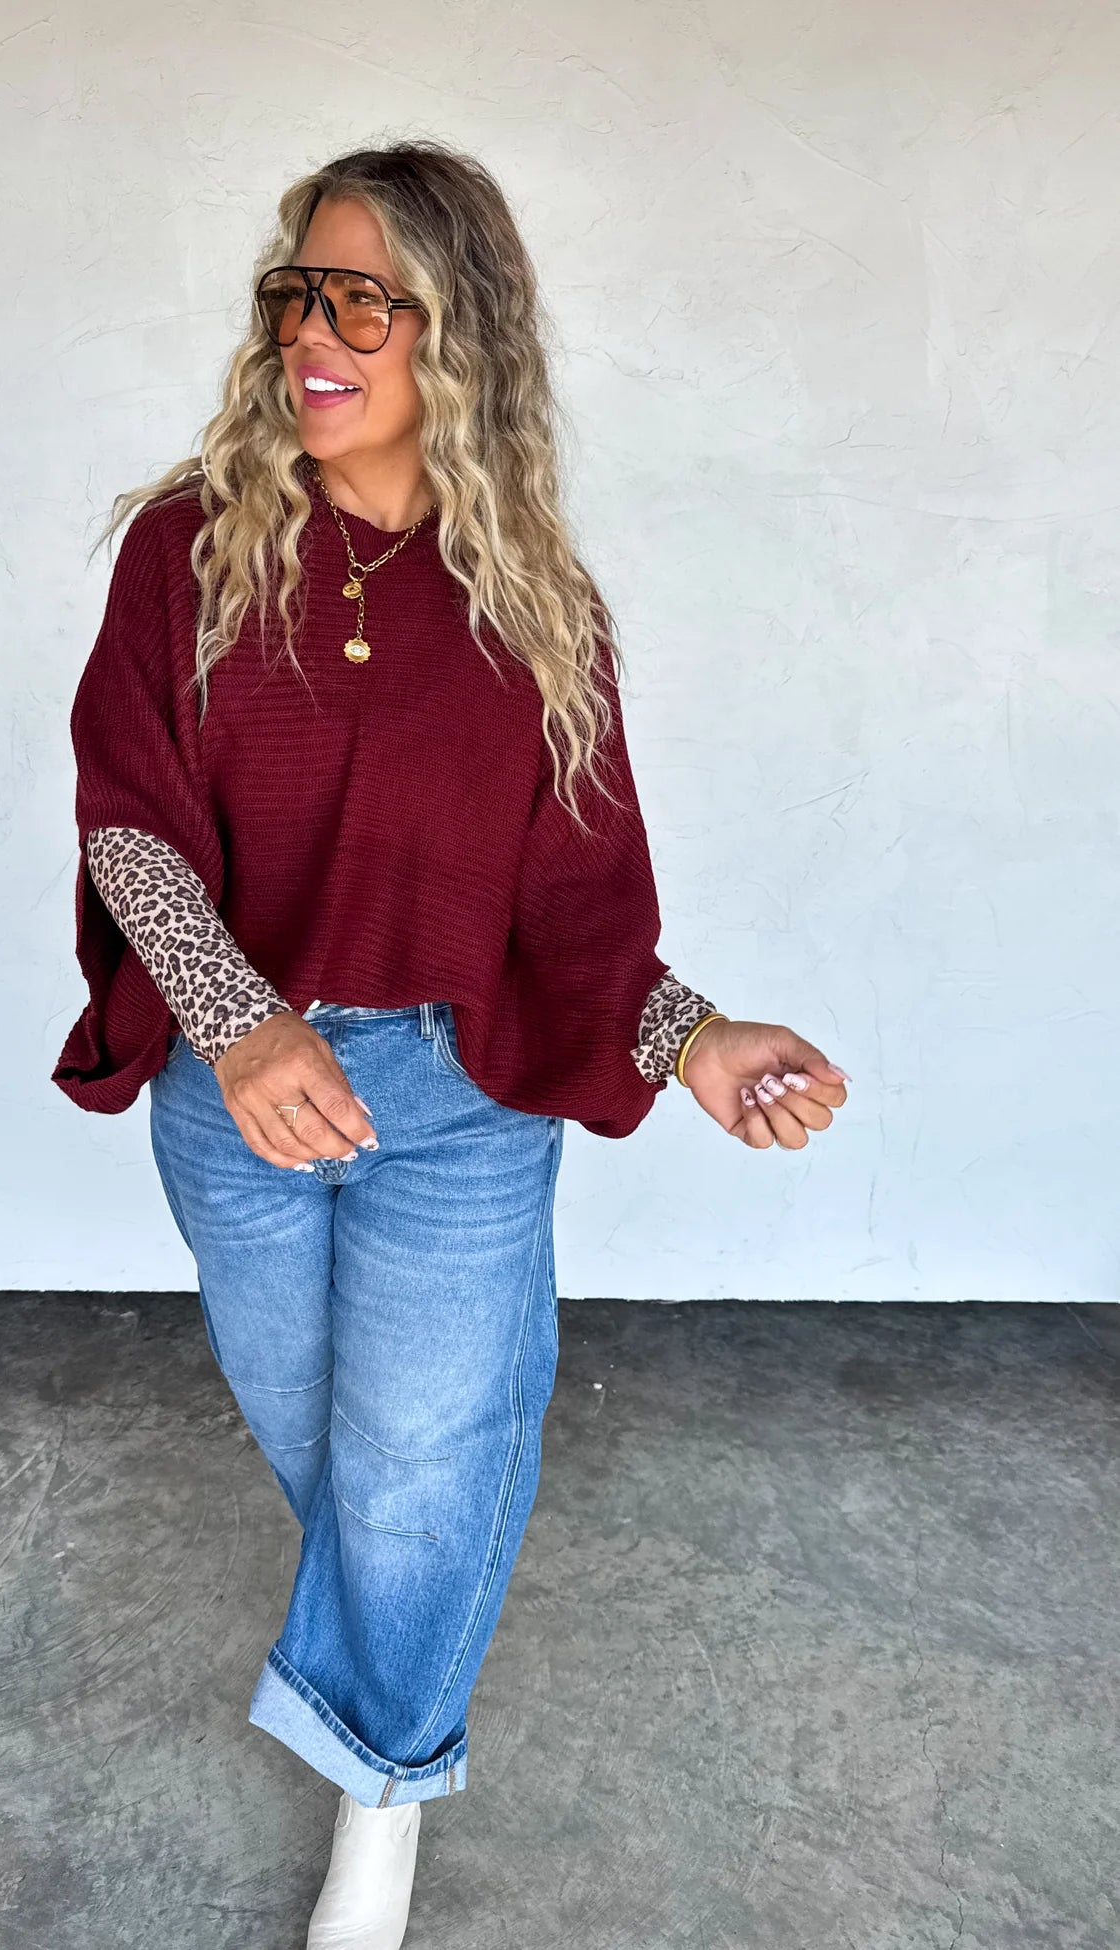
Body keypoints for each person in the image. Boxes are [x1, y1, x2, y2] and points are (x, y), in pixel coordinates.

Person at [52, 138, 850, 1950]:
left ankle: (383, 1792)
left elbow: (567, 923)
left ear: (455, 335)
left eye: (361, 300)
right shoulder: (190, 549)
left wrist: (699, 1035)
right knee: (337, 1441)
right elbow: (130, 824)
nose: (310, 336)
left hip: (460, 1095)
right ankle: (385, 1673)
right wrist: (240, 1023)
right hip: (238, 1090)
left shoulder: (538, 610)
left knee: (424, 1456)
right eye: (293, 294)